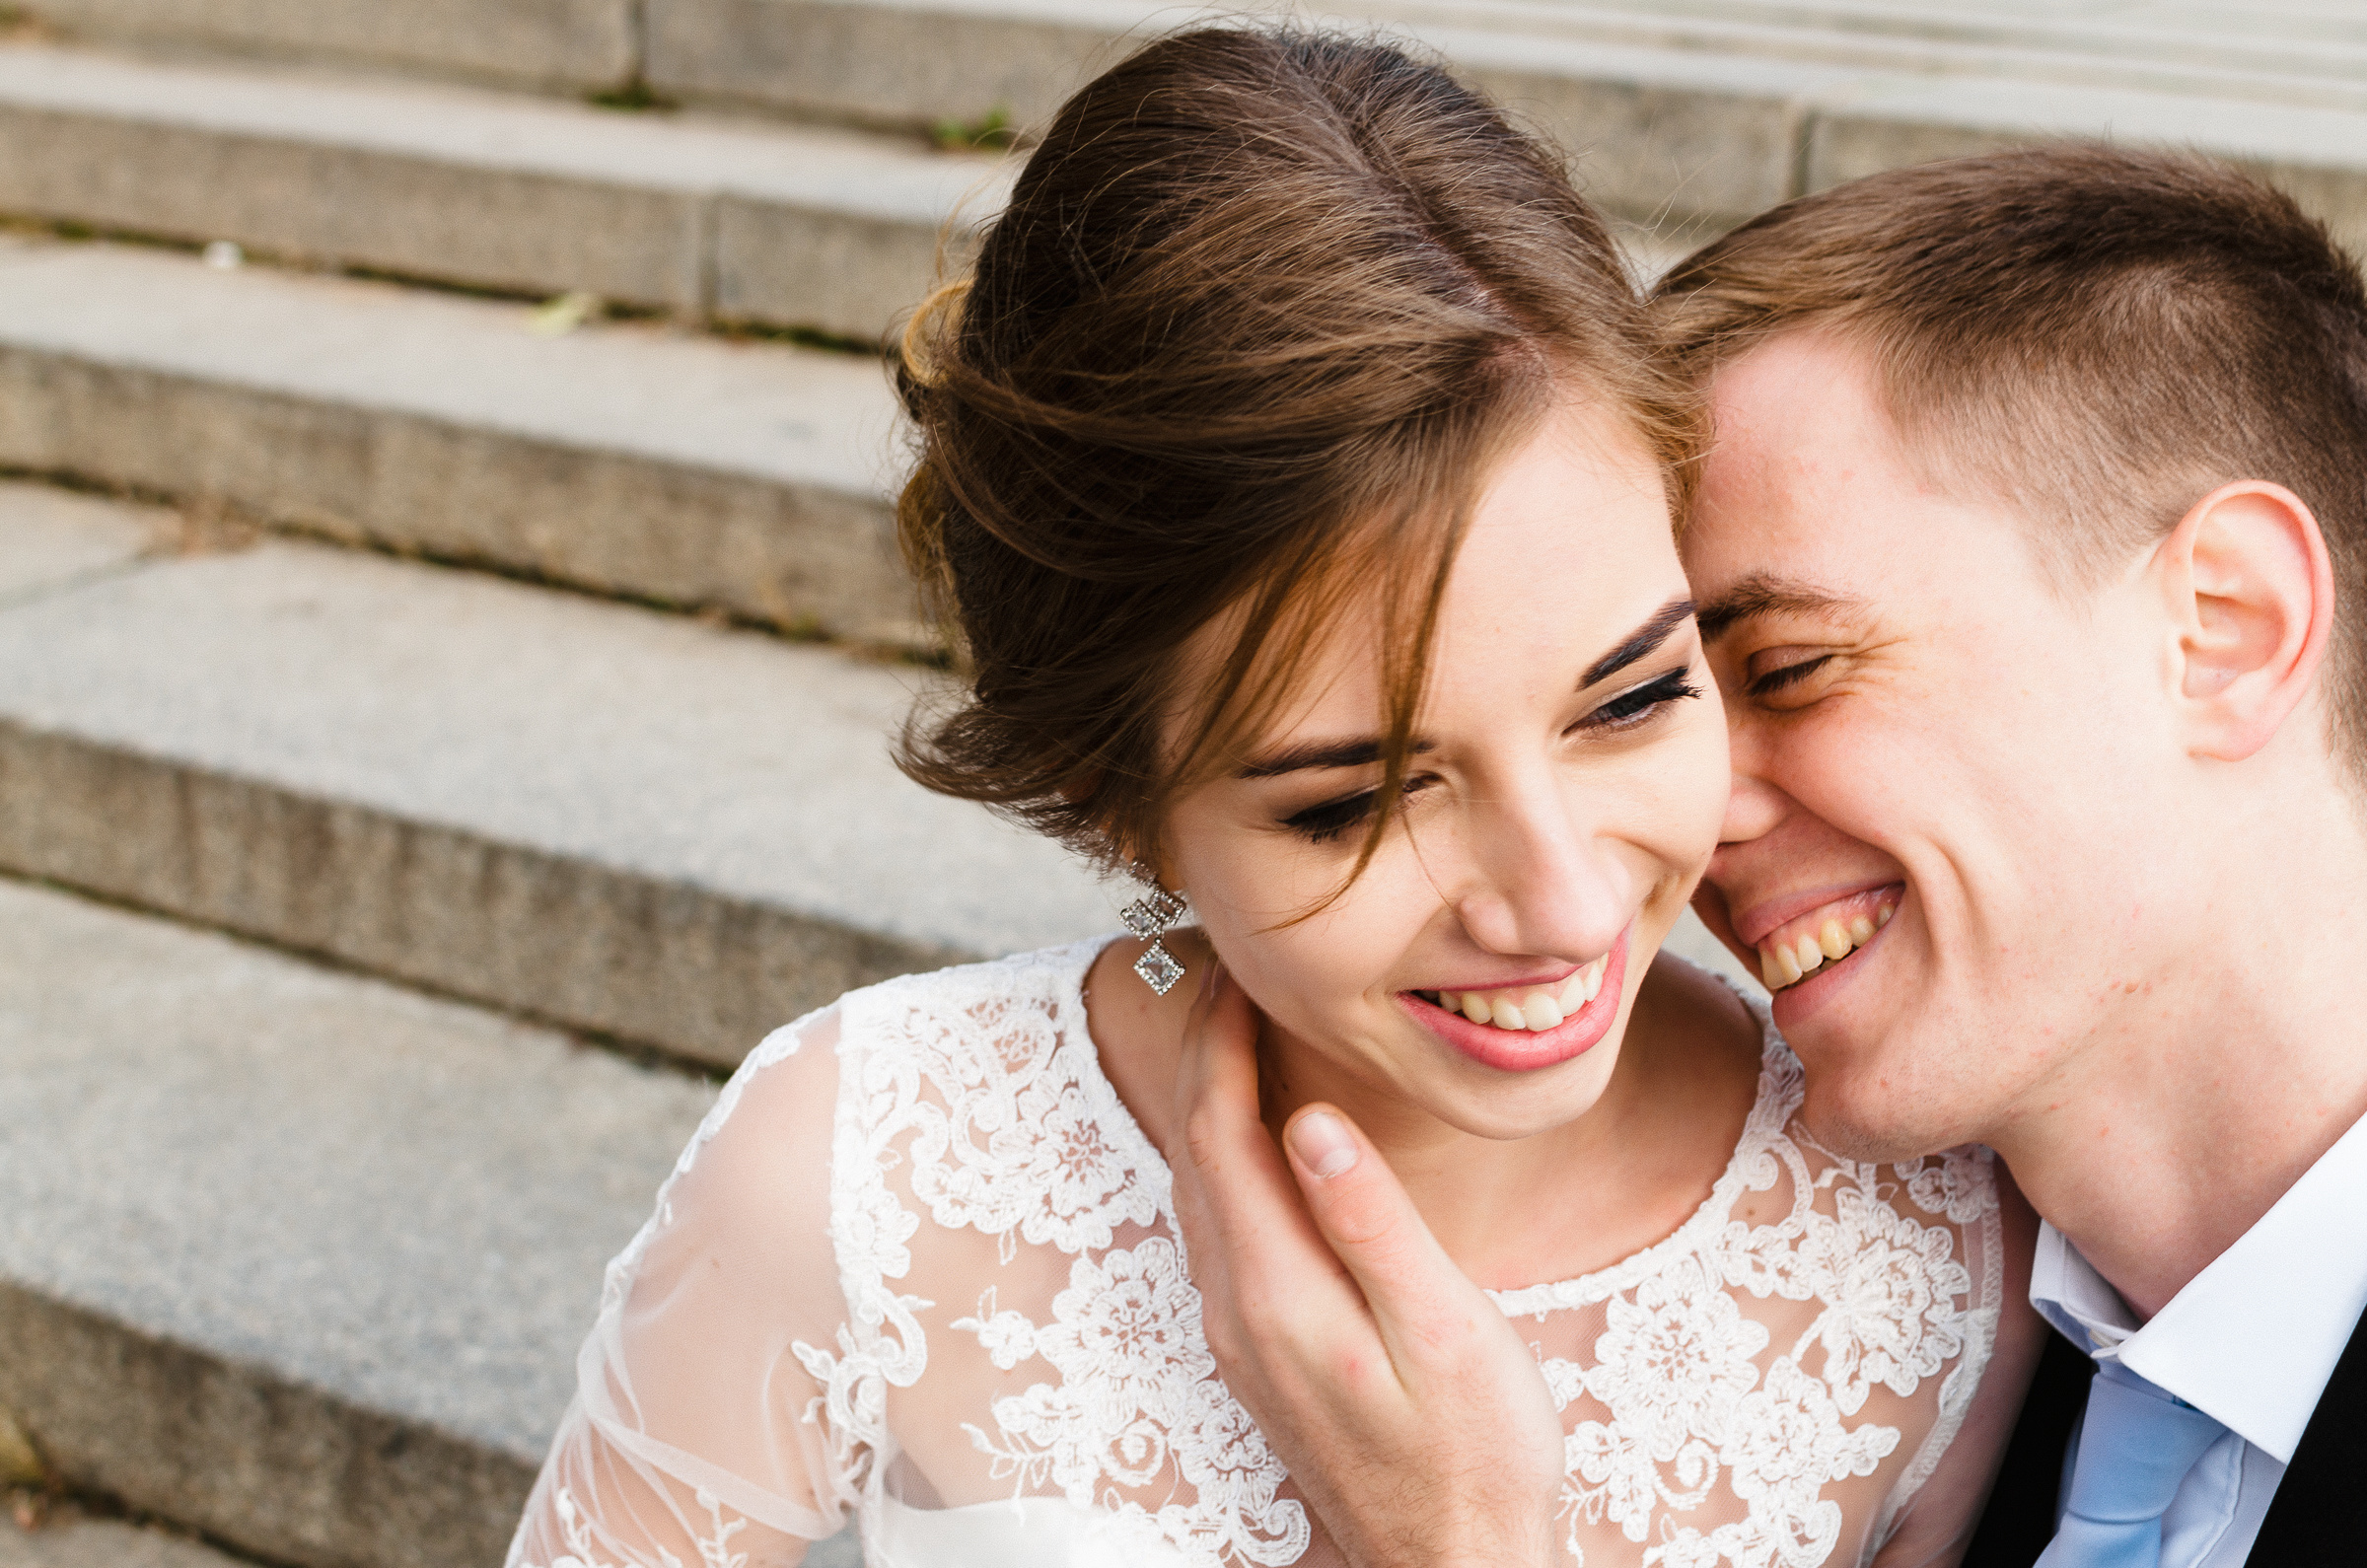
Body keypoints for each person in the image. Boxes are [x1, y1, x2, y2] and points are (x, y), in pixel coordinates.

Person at [503, 28, 2041, 1568]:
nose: (1563, 901)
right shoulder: (859, 1165)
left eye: (1632, 697)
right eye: (1355, 800)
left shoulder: (1929, 1234)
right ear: (1115, 797)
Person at [1167, 146, 2367, 1568]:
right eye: (1650, 694)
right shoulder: (1906, 1313)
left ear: (2223, 625)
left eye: (1790, 666)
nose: (1682, 802)